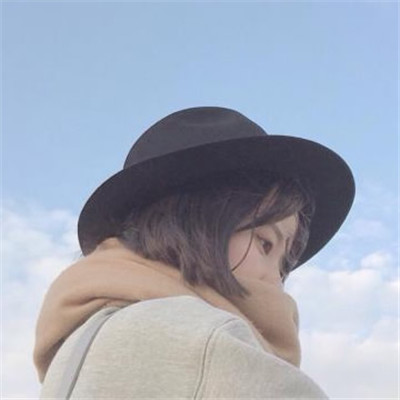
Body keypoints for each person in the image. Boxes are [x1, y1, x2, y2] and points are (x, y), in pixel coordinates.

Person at [33, 107, 355, 398]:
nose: (275, 279)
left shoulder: (79, 349)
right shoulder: (205, 342)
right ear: (194, 226)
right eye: (265, 243)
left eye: (284, 265)